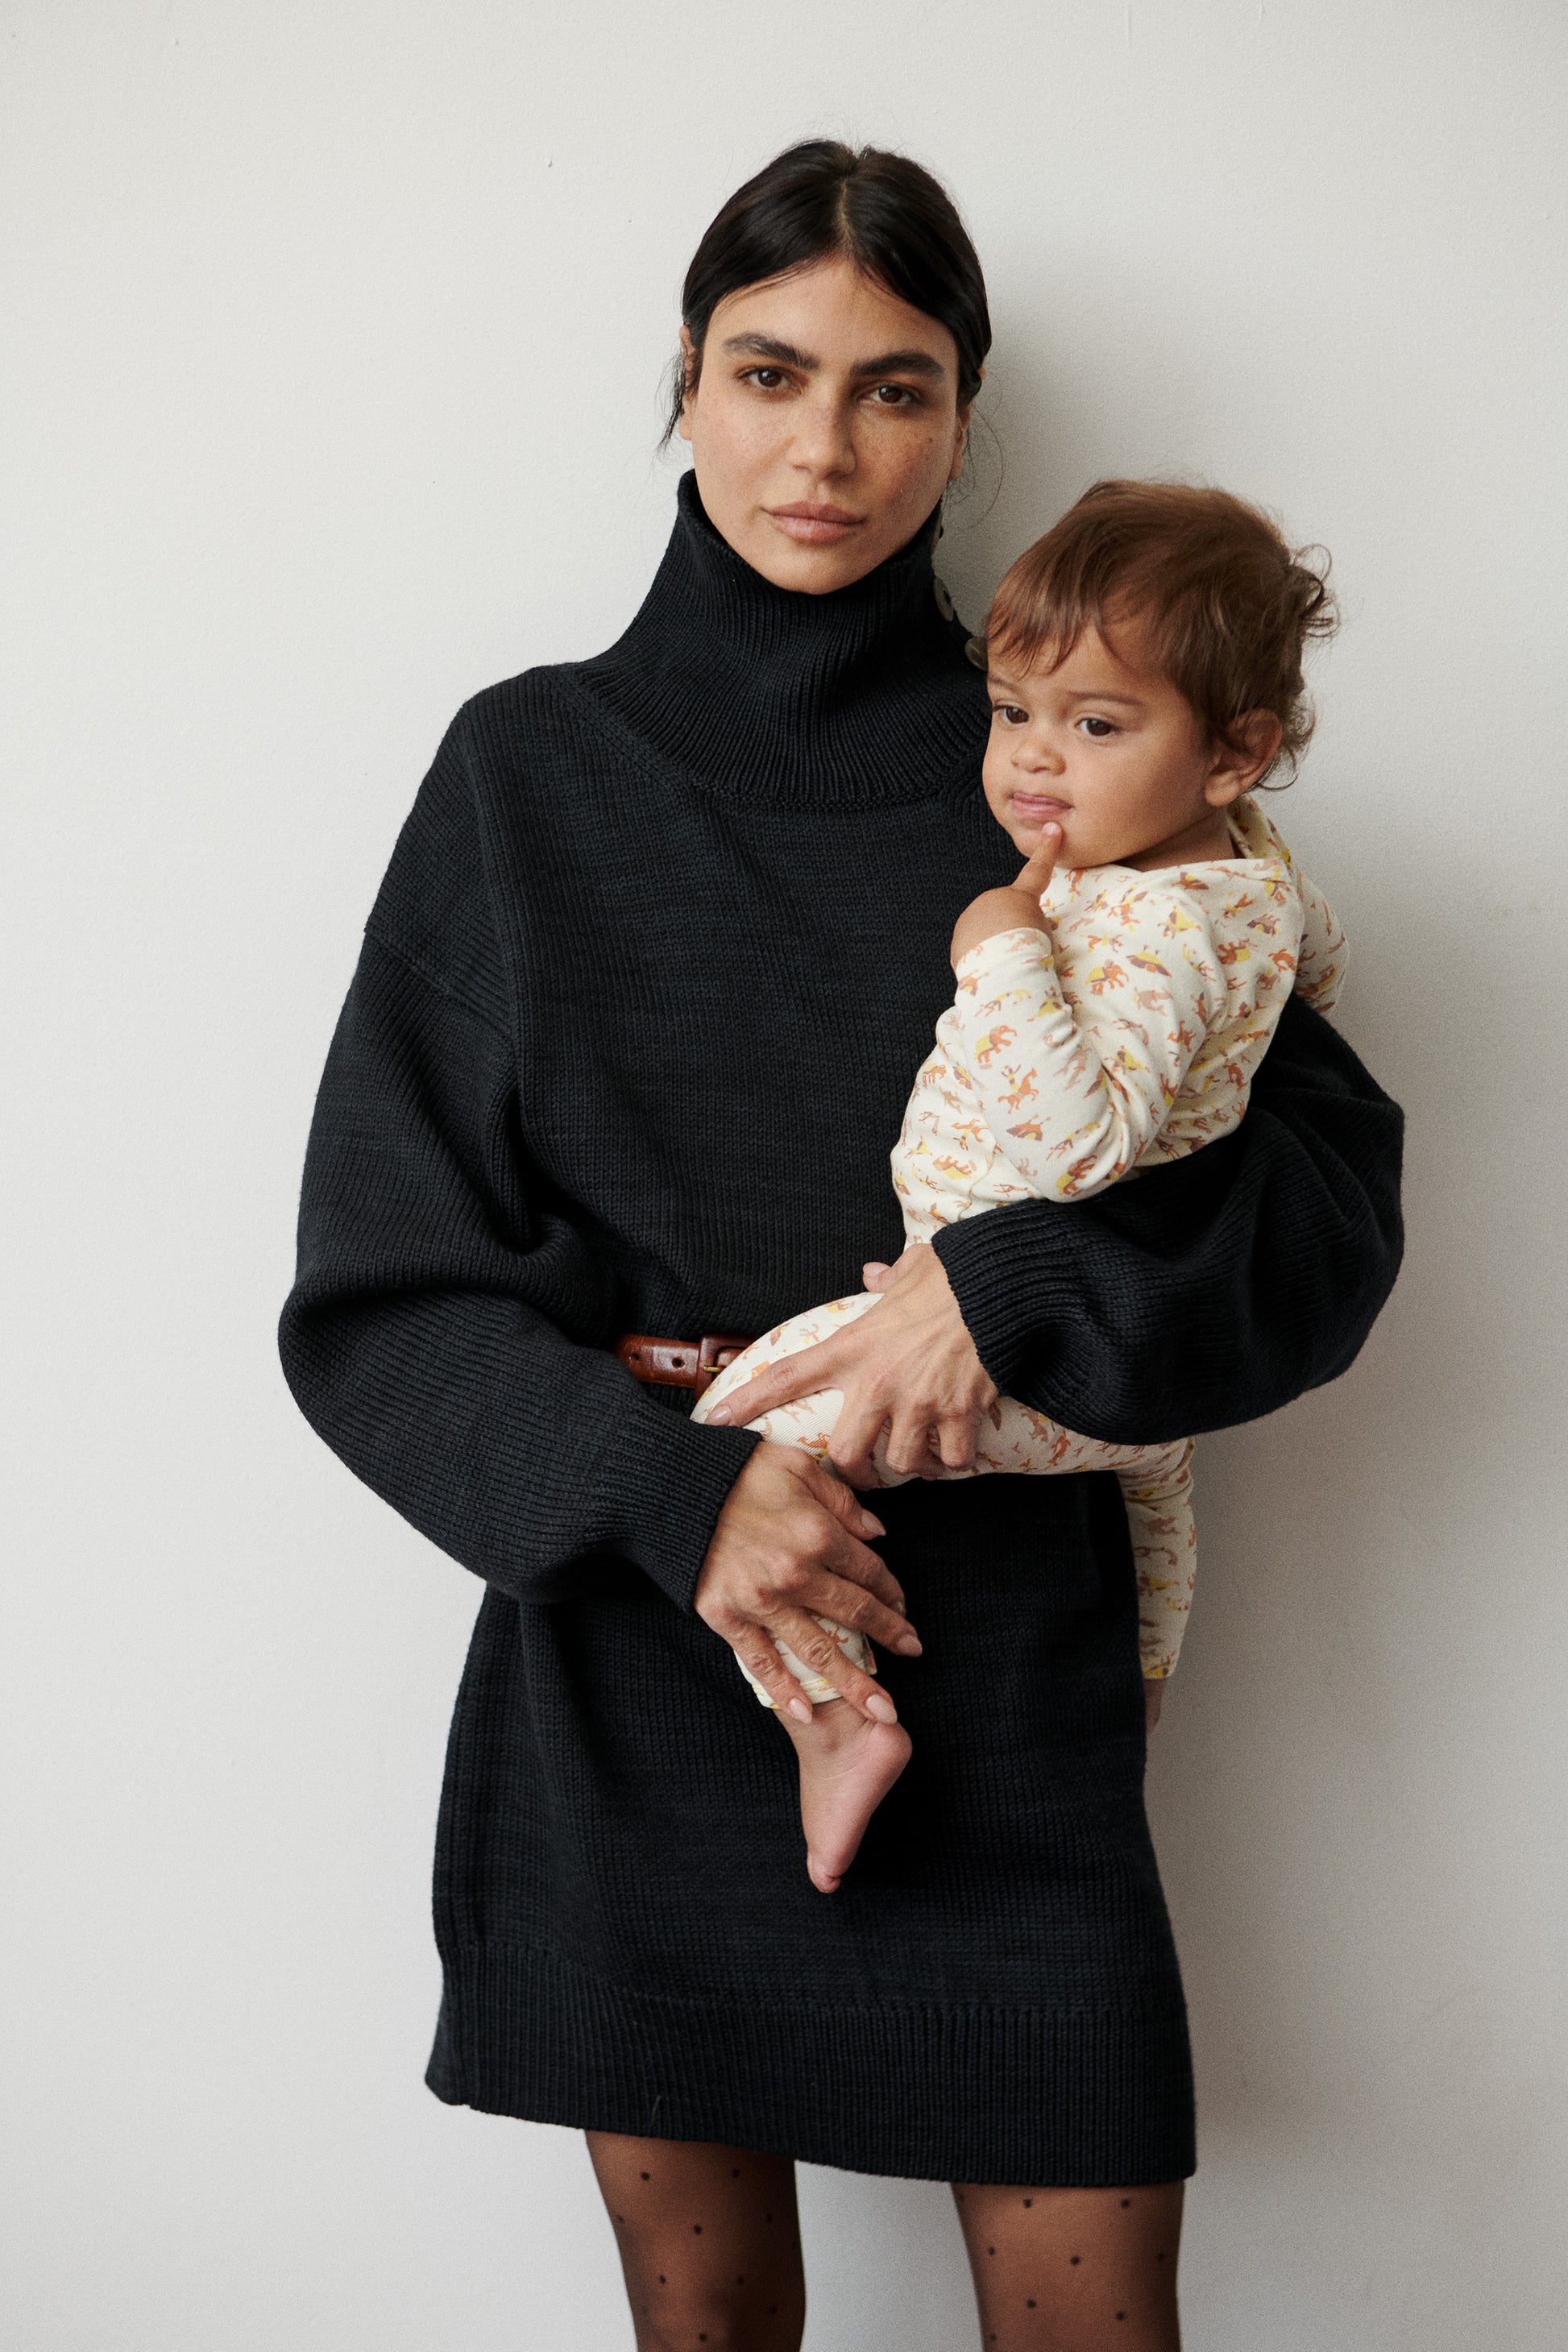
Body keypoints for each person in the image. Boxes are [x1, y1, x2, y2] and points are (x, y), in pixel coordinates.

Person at [280, 140, 1403, 2352]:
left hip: (1005, 1655)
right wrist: (675, 1501)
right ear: (683, 388)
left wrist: (1003, 1296)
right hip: (642, 1652)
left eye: (896, 387)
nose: (825, 446)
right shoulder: (527, 774)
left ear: (964, 421)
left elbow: (1323, 1211)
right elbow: (378, 1293)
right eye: (768, 371)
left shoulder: (1076, 766)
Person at [695, 479, 1349, 1900]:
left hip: (1025, 1350)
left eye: (1096, 726)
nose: (1033, 762)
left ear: (1235, 752)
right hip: (1120, 1382)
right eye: (1010, 712)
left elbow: (1075, 1153)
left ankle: (831, 1717)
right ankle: (1148, 1687)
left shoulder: (1147, 931)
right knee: (1157, 1508)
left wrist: (996, 950)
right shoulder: (1246, 881)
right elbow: (1314, 953)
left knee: (734, 1424)